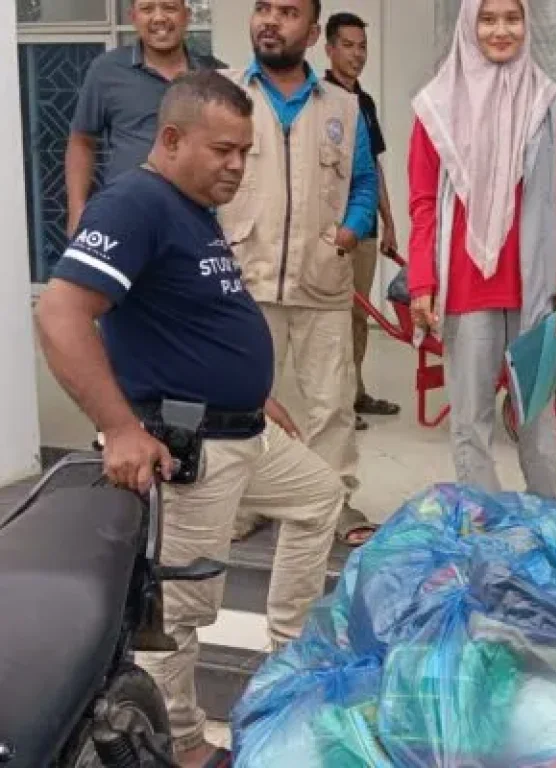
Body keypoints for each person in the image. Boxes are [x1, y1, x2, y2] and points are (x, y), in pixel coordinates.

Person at [37, 71, 346, 768]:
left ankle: (290, 656)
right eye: (223, 151)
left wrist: (249, 390)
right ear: (172, 139)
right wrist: (119, 427)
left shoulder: (190, 208)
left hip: (242, 429)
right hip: (189, 448)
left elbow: (187, 318)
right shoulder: (135, 205)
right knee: (176, 615)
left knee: (320, 497)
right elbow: (60, 313)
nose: (237, 167)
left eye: (246, 153)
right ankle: (181, 745)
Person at [407, 0, 556, 499]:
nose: (500, 29)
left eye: (512, 18)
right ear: (470, 24)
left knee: (538, 419)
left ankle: (549, 521)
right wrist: (422, 280)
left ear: (527, 24)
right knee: (471, 422)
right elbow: (423, 203)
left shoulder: (550, 103)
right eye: (487, 18)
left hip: (534, 287)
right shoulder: (435, 107)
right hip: (465, 287)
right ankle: (486, 532)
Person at [220, 0, 380, 547]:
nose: (270, 20)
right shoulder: (225, 94)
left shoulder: (344, 106)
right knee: (242, 401)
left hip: (323, 278)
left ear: (312, 33)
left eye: (287, 12)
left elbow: (362, 184)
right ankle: (249, 500)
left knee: (330, 403)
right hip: (246, 278)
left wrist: (354, 230)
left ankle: (331, 500)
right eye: (263, 8)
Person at [66, 0, 222, 235]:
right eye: (147, 9)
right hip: (125, 216)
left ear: (187, 16)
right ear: (133, 17)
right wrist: (77, 210)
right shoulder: (106, 70)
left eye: (169, 8)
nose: (159, 18)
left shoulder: (214, 75)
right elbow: (82, 141)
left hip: (197, 217)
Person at [325, 11, 402, 430]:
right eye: (349, 45)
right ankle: (336, 405)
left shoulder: (364, 102)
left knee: (359, 317)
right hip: (334, 231)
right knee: (333, 317)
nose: (357, 54)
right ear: (330, 48)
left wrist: (389, 222)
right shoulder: (321, 97)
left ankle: (354, 394)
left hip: (367, 229)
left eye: (362, 46)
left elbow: (372, 166)